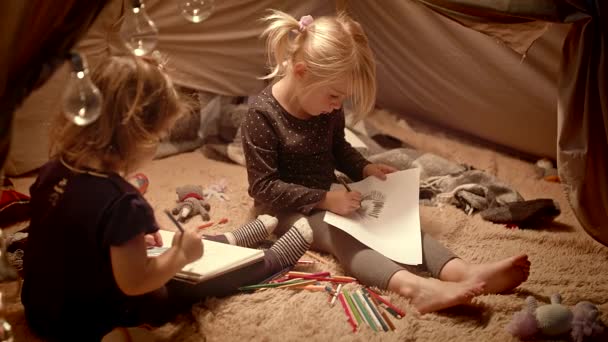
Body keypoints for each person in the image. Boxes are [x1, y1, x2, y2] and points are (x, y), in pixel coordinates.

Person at [241, 10, 531, 314]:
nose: (337, 106)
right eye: (333, 96)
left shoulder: (328, 107)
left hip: (329, 194)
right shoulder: (262, 116)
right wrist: (324, 199)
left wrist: (363, 168)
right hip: (282, 210)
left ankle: (460, 271)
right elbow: (263, 188)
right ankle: (415, 287)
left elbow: (338, 148)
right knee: (344, 233)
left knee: (393, 223)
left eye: (342, 99)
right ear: (301, 72)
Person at [21, 55, 313, 341]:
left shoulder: (53, 170)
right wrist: (180, 256)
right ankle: (270, 260)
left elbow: (72, 234)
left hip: (42, 311)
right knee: (179, 279)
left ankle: (233, 240)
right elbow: (136, 282)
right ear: (136, 136)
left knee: (168, 248)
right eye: (159, 137)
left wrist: (128, 242)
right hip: (86, 322)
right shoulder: (123, 203)